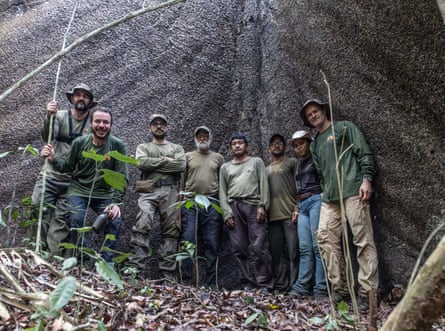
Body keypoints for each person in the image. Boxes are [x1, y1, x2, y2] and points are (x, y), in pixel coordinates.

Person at [300, 99, 379, 309]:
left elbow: (364, 152)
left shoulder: (345, 127)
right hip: (330, 197)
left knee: (362, 240)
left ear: (324, 110)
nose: (313, 116)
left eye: (315, 111)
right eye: (309, 115)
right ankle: (341, 289)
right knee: (324, 238)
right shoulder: (315, 144)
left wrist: (366, 179)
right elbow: (321, 172)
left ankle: (368, 294)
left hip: (354, 189)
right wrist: (326, 191)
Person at [40, 106, 128, 263]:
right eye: (98, 121)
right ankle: (82, 253)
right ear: (91, 124)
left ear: (111, 125)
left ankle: (107, 261)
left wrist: (116, 203)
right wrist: (53, 159)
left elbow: (122, 177)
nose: (102, 125)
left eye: (106, 122)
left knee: (115, 220)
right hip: (78, 190)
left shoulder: (117, 145)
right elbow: (67, 167)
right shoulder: (79, 143)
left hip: (103, 194)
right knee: (75, 218)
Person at [32, 83, 97, 255]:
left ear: (90, 101)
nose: (81, 98)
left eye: (85, 95)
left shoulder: (93, 123)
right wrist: (49, 116)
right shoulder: (59, 116)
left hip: (72, 182)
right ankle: (34, 254)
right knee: (37, 212)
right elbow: (48, 136)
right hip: (50, 175)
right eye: (78, 95)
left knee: (60, 223)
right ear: (72, 98)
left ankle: (52, 261)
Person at [128, 114, 186, 276]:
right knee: (142, 223)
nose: (159, 126)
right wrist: (164, 161)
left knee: (171, 231)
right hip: (148, 190)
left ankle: (168, 276)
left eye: (162, 124)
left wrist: (153, 165)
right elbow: (140, 163)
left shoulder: (176, 148)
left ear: (167, 127)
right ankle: (135, 272)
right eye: (155, 124)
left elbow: (180, 166)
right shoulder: (144, 147)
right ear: (150, 128)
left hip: (171, 191)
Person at [219, 132, 273, 293]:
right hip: (234, 207)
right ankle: (247, 283)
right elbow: (222, 191)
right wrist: (226, 213)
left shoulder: (256, 162)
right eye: (234, 143)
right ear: (230, 148)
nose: (237, 145)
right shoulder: (225, 167)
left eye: (240, 143)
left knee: (259, 246)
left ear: (246, 146)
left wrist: (263, 205)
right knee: (238, 247)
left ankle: (264, 283)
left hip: (253, 205)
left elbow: (264, 183)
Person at [180, 126, 225, 287]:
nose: (203, 138)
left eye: (206, 135)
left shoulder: (218, 158)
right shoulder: (188, 156)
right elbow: (182, 181)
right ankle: (185, 282)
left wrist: (223, 208)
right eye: (200, 136)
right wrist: (180, 205)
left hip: (212, 202)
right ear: (195, 138)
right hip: (190, 201)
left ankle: (212, 283)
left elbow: (222, 183)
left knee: (212, 242)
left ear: (210, 138)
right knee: (188, 238)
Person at [288, 130, 327, 299]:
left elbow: (325, 176)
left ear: (309, 142)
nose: (299, 148)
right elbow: (297, 187)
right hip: (302, 205)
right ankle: (302, 286)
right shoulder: (298, 164)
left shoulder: (316, 158)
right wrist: (296, 208)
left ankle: (321, 288)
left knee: (317, 246)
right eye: (295, 146)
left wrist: (325, 195)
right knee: (304, 248)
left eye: (302, 143)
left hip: (316, 200)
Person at [265, 134, 299, 291]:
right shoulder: (266, 170)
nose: (276, 146)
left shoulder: (292, 162)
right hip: (273, 217)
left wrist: (298, 207)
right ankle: (281, 285)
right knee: (277, 253)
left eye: (280, 143)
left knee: (293, 251)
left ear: (285, 146)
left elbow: (301, 184)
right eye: (273, 144)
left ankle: (295, 285)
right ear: (269, 148)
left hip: (290, 213)